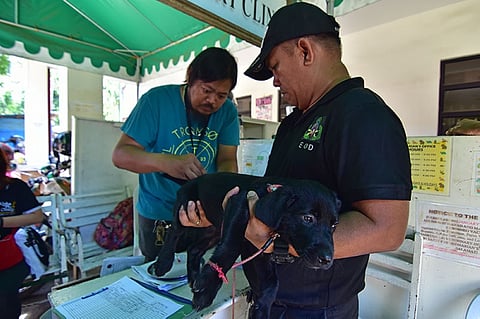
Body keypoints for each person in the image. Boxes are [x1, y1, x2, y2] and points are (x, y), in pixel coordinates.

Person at [181, 3, 412, 318]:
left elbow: (386, 229)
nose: (275, 81)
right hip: (269, 296)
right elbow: (273, 202)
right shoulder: (293, 124)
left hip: (316, 308)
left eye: (275, 67)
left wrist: (276, 243)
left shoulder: (364, 116)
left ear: (305, 51)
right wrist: (220, 213)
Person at [112, 47, 240, 262]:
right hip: (159, 213)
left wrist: (221, 190)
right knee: (159, 276)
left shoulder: (227, 111)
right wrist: (165, 162)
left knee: (201, 270)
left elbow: (227, 159)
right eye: (206, 90)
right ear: (190, 78)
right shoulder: (156, 101)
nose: (212, 101)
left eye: (221, 95)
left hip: (203, 212)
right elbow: (120, 155)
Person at [0, 147, 44, 319]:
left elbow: (37, 216)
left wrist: (3, 222)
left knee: (6, 304)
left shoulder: (15, 187)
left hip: (9, 258)